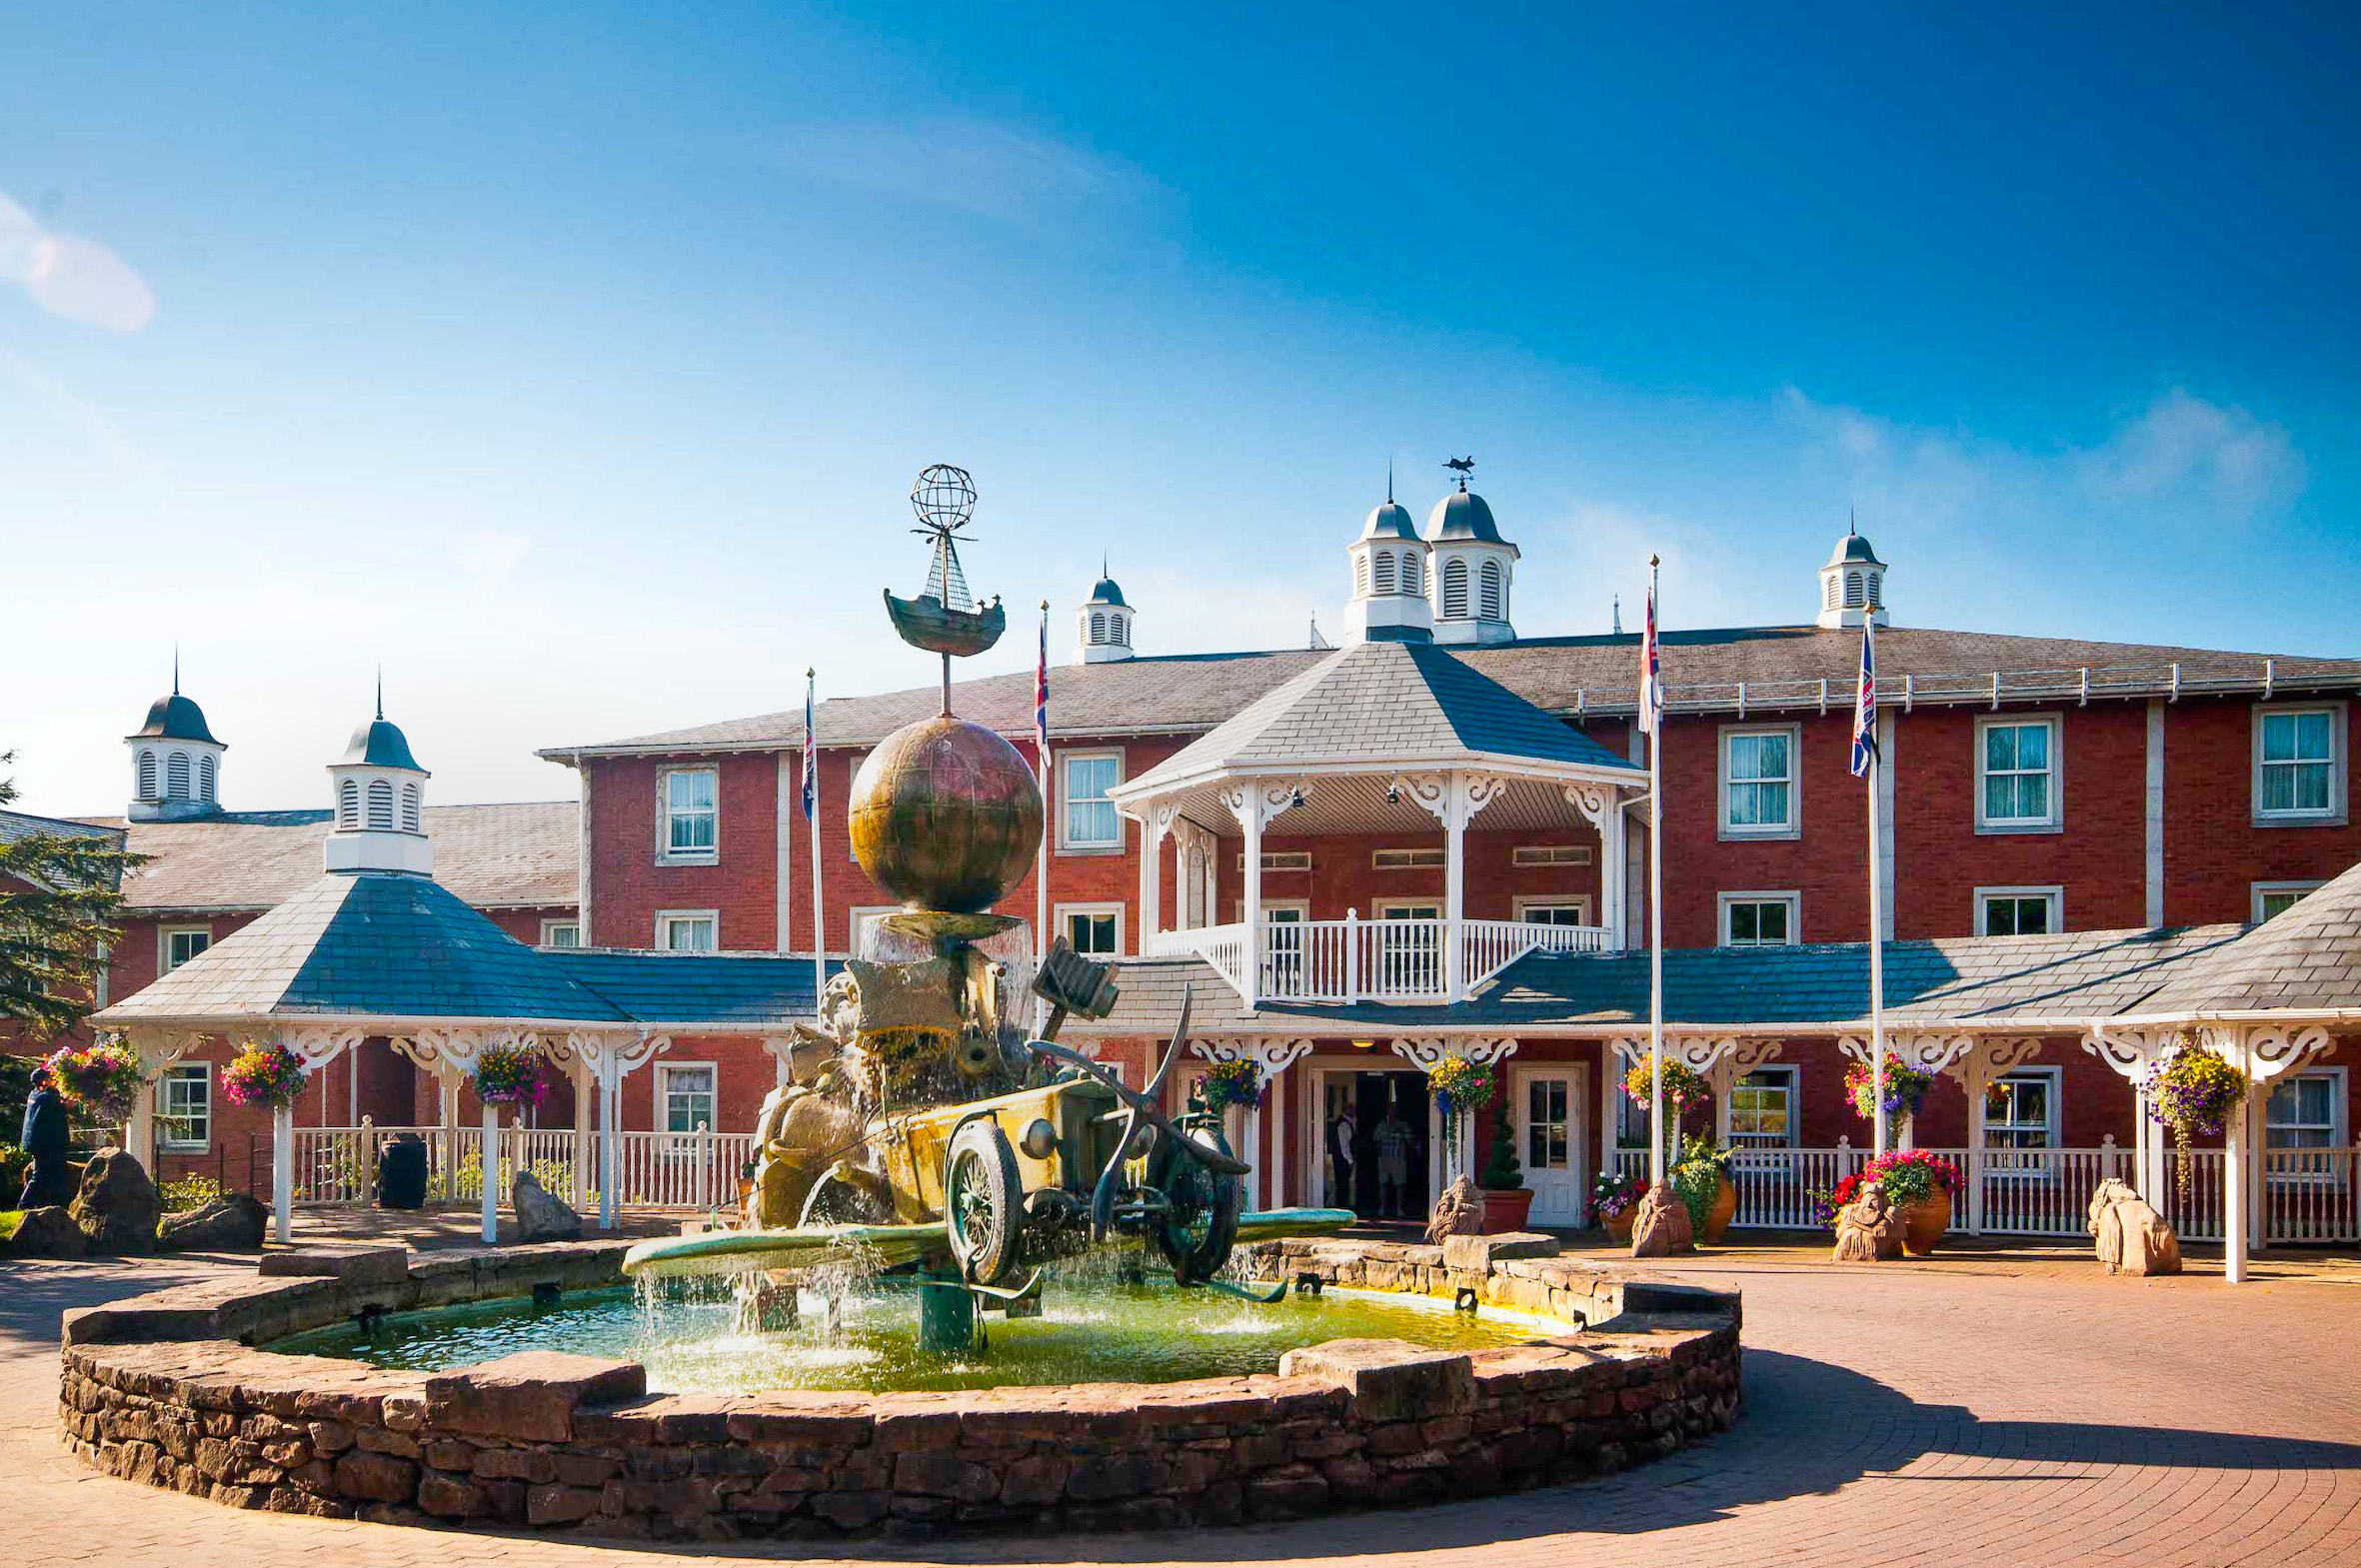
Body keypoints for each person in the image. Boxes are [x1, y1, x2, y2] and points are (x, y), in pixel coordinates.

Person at [18, 1065, 73, 1208]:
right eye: (48, 1078)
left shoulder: (34, 1095)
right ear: (42, 1081)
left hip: (40, 1143)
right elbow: (61, 1107)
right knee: (41, 1176)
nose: (51, 1080)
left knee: (53, 1175)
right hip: (47, 1144)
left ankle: (54, 1205)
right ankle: (24, 1205)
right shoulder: (46, 1097)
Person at [1373, 1098, 1415, 1218]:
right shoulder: (1381, 1126)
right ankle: (1382, 1207)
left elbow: (1411, 1142)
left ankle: (1399, 1208)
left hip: (1399, 1159)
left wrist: (1402, 1136)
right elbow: (1376, 1142)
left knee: (1400, 1184)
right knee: (1383, 1183)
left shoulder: (1403, 1125)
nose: (1391, 1113)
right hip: (1384, 1159)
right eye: (1389, 1110)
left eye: (1393, 1110)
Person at [1326, 1104, 1357, 1210]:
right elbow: (1344, 1144)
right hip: (1342, 1159)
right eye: (1352, 1110)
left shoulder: (1349, 1122)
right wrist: (1349, 1160)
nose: (1354, 1111)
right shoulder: (1343, 1124)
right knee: (1342, 1184)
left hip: (1340, 1158)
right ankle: (1342, 1206)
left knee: (1342, 1183)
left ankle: (1342, 1205)